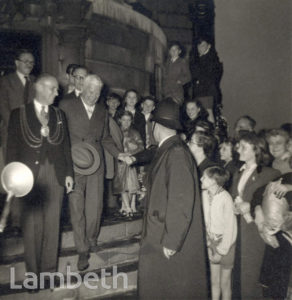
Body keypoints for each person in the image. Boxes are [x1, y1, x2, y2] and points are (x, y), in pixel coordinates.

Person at [6, 74, 74, 291]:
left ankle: (49, 274)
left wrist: (69, 174)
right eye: (53, 89)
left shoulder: (59, 114)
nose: (57, 93)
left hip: (55, 173)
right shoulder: (19, 114)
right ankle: (33, 276)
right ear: (40, 88)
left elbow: (65, 147)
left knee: (52, 226)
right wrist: (13, 179)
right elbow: (12, 149)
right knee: (32, 227)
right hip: (28, 176)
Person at [137, 98, 207, 299]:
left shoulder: (175, 151)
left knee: (168, 287)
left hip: (166, 237)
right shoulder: (170, 148)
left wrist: (172, 240)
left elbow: (181, 199)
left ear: (156, 125)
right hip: (160, 231)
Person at [59, 74, 125, 271]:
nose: (93, 95)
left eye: (97, 92)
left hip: (96, 164)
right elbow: (60, 137)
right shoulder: (66, 105)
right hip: (74, 164)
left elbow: (105, 138)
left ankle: (92, 237)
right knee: (77, 206)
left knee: (95, 206)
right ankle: (82, 249)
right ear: (82, 88)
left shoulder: (103, 111)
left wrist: (120, 154)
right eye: (90, 91)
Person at [230, 131, 280, 299]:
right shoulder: (238, 172)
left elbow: (271, 205)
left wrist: (250, 207)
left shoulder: (269, 173)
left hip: (254, 232)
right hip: (238, 229)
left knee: (251, 276)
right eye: (239, 146)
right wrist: (234, 207)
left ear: (256, 149)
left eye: (244, 147)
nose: (239, 150)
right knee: (237, 276)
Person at [0, 49, 36, 233]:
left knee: (29, 175)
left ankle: (28, 219)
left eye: (31, 62)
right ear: (16, 63)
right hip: (12, 136)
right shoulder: (5, 82)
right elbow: (3, 107)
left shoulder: (35, 83)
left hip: (31, 138)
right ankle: (15, 221)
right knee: (14, 175)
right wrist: (17, 127)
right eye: (25, 61)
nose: (29, 65)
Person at [201, 166, 237, 300]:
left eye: (204, 177)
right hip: (211, 242)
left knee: (224, 283)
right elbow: (205, 223)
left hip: (226, 244)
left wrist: (221, 251)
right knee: (214, 281)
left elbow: (230, 228)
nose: (201, 179)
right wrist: (208, 244)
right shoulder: (204, 195)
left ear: (213, 181)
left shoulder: (225, 198)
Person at [114, 111, 144, 216]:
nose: (126, 122)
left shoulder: (135, 132)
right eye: (124, 120)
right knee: (122, 185)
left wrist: (132, 151)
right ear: (119, 120)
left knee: (131, 185)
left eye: (129, 120)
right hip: (119, 162)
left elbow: (141, 147)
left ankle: (128, 208)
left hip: (130, 162)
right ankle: (127, 207)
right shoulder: (115, 132)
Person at [190, 38, 222, 123]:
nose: (200, 47)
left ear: (209, 46)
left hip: (206, 91)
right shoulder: (200, 58)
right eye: (199, 45)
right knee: (202, 114)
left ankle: (211, 134)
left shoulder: (211, 59)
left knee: (208, 113)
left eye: (203, 45)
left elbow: (212, 76)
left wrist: (198, 81)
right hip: (201, 91)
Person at [104, 93, 123, 215]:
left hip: (119, 147)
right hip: (108, 148)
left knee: (118, 175)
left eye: (116, 102)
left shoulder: (121, 115)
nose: (114, 104)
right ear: (107, 102)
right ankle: (109, 203)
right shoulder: (104, 114)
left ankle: (114, 202)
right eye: (111, 101)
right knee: (109, 174)